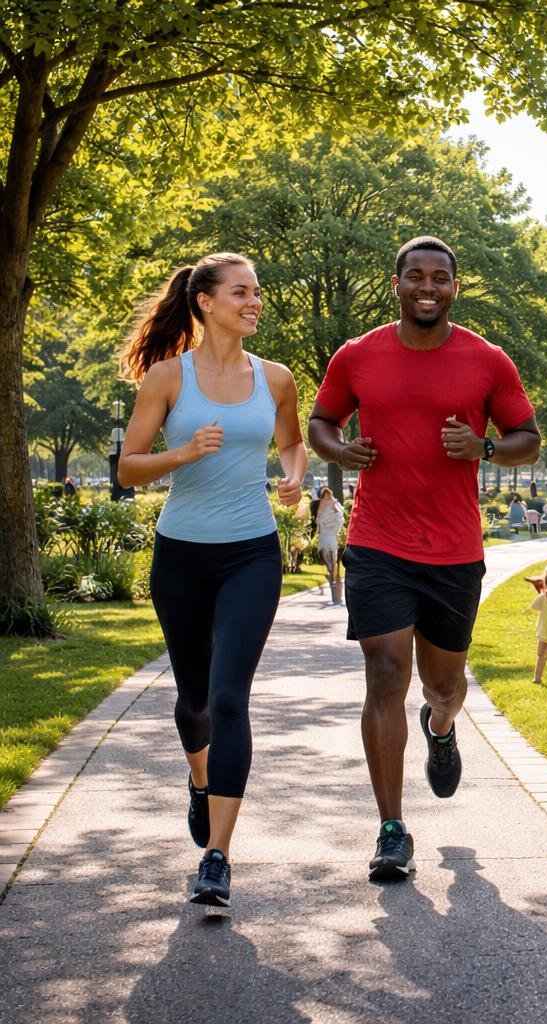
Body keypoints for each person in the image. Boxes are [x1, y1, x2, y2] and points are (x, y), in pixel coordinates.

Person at [307, 236, 540, 881]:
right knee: (385, 674)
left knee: (443, 684)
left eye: (440, 276)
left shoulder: (487, 361)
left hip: (453, 550)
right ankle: (391, 829)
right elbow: (320, 420)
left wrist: (486, 449)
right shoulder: (358, 356)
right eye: (415, 275)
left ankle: (441, 726)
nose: (427, 286)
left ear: (455, 288)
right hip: (379, 541)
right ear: (398, 283)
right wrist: (340, 448)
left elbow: (529, 438)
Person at [116, 253, 307, 907]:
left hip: (252, 554)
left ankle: (218, 858)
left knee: (228, 699)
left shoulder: (276, 378)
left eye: (258, 292)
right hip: (181, 558)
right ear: (205, 302)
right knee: (193, 699)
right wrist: (182, 453)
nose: (254, 302)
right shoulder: (167, 378)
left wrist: (294, 477)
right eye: (241, 292)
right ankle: (200, 782)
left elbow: (291, 441)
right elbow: (128, 468)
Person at [315, 486, 345, 604]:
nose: (327, 497)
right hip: (324, 535)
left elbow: (340, 518)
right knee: (325, 556)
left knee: (333, 558)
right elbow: (319, 519)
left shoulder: (335, 503)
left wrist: (331, 520)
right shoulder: (321, 504)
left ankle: (335, 586)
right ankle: (331, 576)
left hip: (331, 534)